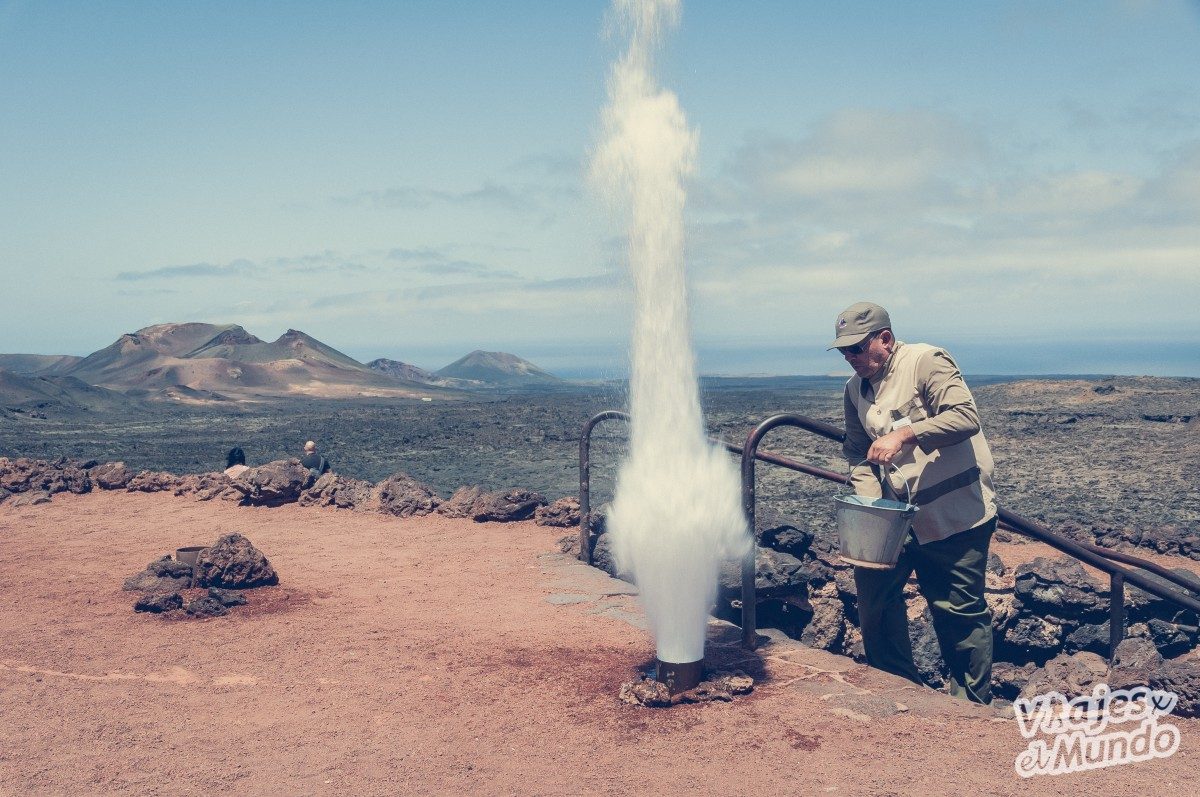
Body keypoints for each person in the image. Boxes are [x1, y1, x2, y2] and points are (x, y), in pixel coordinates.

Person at [829, 301, 998, 704]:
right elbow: (857, 450)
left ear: (884, 339)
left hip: (956, 517)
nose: (850, 357)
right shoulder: (854, 389)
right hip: (893, 521)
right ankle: (900, 695)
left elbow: (964, 417)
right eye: (843, 351)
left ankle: (971, 708)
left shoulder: (926, 362)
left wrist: (904, 436)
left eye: (856, 348)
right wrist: (872, 505)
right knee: (875, 606)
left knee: (958, 613)